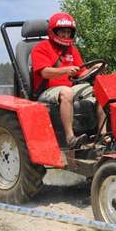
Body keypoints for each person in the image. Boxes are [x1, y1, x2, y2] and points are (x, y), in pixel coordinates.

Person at [31, 12, 106, 149]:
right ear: (53, 32)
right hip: (46, 91)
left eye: (68, 32)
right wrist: (65, 70)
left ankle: (103, 135)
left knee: (102, 88)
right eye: (62, 32)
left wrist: (94, 69)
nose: (66, 36)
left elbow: (81, 73)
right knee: (66, 92)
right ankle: (70, 138)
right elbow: (45, 72)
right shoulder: (40, 48)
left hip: (70, 87)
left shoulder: (72, 50)